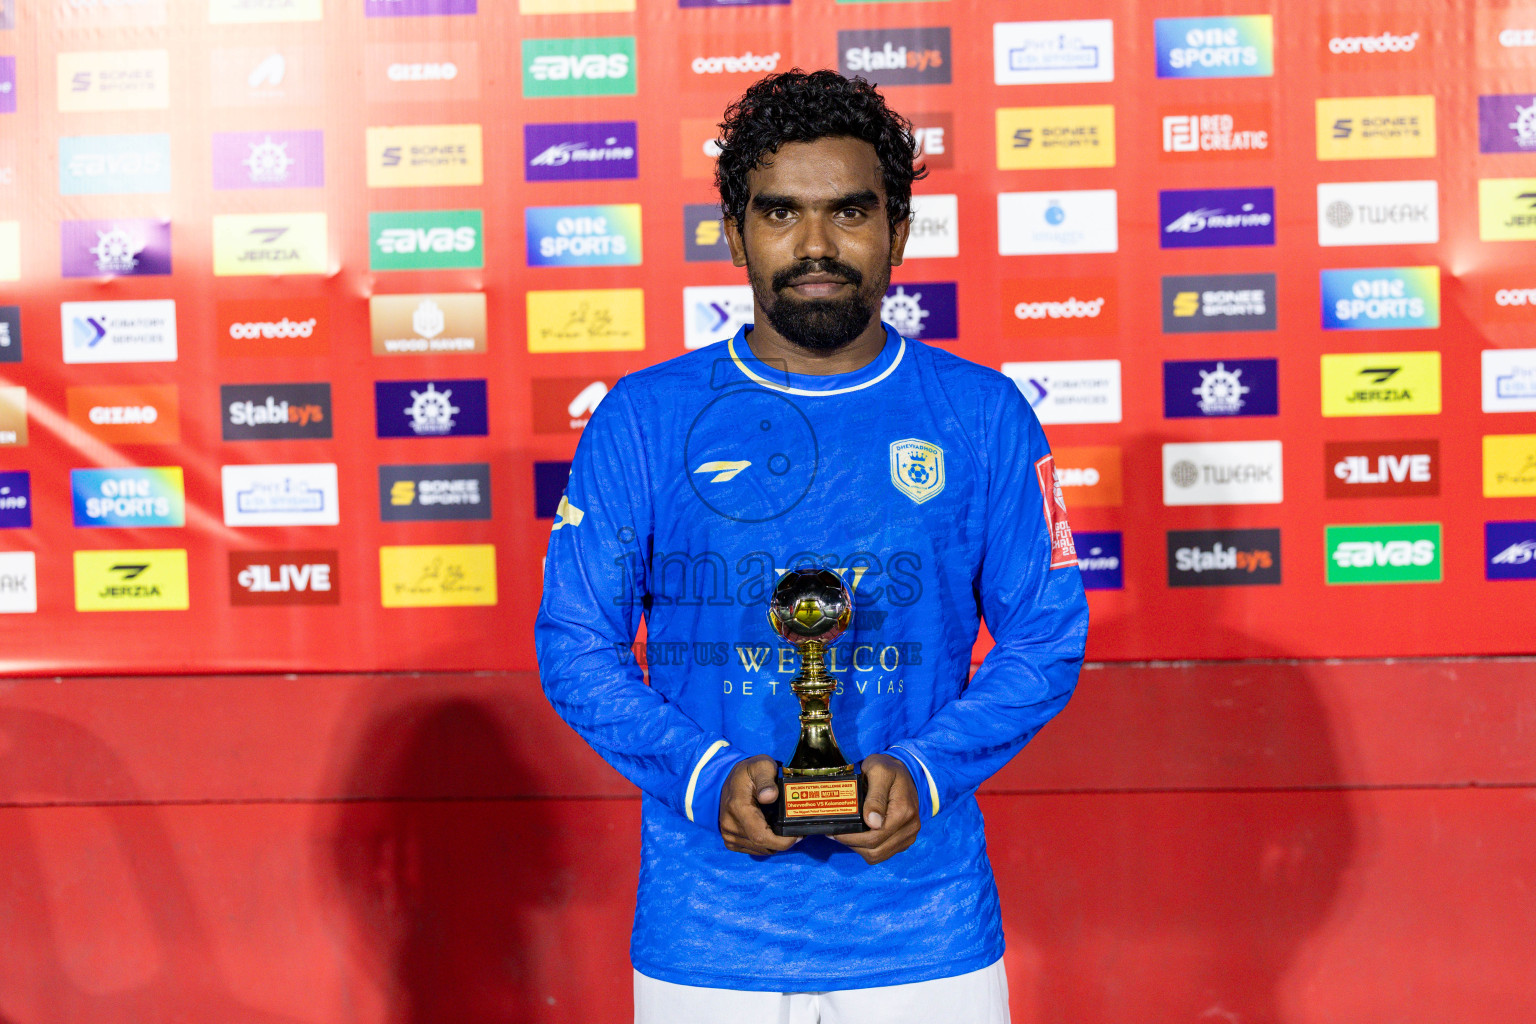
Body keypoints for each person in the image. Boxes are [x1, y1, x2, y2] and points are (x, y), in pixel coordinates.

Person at [535, 69, 1089, 1023]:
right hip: (709, 935)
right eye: (781, 212)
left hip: (925, 931)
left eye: (850, 212)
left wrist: (928, 771)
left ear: (899, 231)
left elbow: (1046, 638)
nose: (817, 245)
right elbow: (576, 644)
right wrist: (703, 777)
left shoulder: (984, 414)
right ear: (734, 231)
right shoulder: (645, 418)